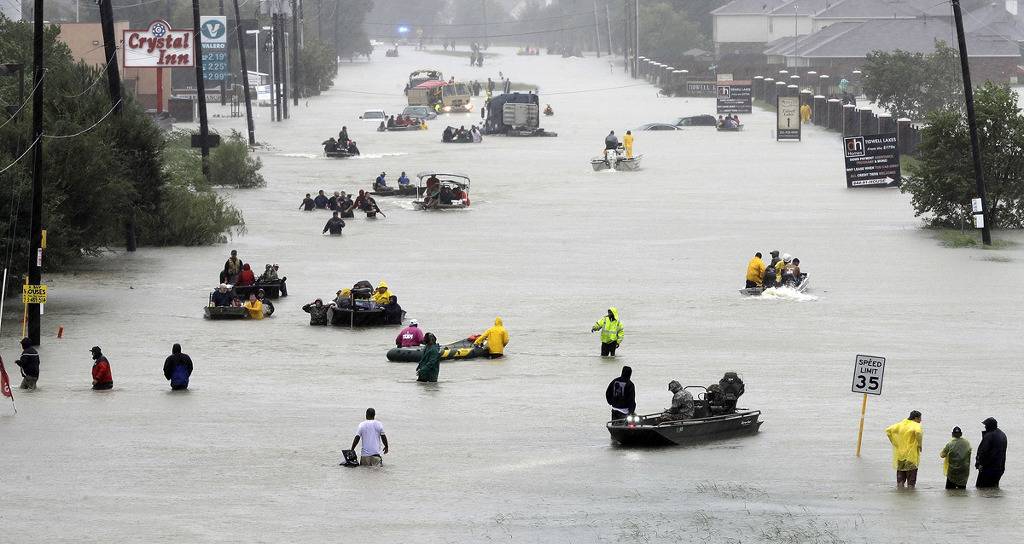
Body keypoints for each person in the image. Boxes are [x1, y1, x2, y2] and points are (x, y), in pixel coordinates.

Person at [885, 410, 923, 488]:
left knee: (900, 478)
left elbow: (888, 430)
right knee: (911, 479)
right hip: (911, 456)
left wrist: (894, 443)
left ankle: (900, 492)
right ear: (916, 418)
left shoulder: (901, 424)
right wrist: (919, 444)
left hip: (900, 455)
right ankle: (910, 495)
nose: (921, 420)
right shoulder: (916, 425)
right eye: (920, 418)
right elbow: (918, 432)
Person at [975, 417, 1007, 488]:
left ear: (989, 426)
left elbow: (983, 452)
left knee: (981, 489)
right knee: (993, 488)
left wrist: (979, 464)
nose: (985, 427)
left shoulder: (989, 436)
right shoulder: (1002, 434)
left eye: (986, 425)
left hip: (988, 468)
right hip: (1000, 468)